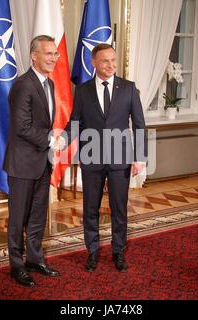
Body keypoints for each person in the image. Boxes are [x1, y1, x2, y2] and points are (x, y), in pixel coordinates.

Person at [63, 43, 147, 272]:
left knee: (119, 208)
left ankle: (118, 252)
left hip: (121, 159)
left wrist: (140, 157)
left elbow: (139, 125)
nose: (110, 65)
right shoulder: (82, 90)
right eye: (104, 61)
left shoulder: (129, 88)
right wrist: (61, 139)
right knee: (90, 208)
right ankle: (92, 251)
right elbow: (75, 122)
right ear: (94, 63)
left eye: (113, 60)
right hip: (91, 158)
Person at [3, 35, 61, 287]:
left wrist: (50, 146)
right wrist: (51, 141)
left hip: (41, 162)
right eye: (48, 54)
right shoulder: (22, 85)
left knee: (38, 216)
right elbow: (21, 127)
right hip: (22, 163)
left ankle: (35, 259)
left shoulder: (50, 84)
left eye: (55, 54)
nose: (54, 59)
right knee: (18, 218)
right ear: (33, 56)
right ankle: (16, 265)